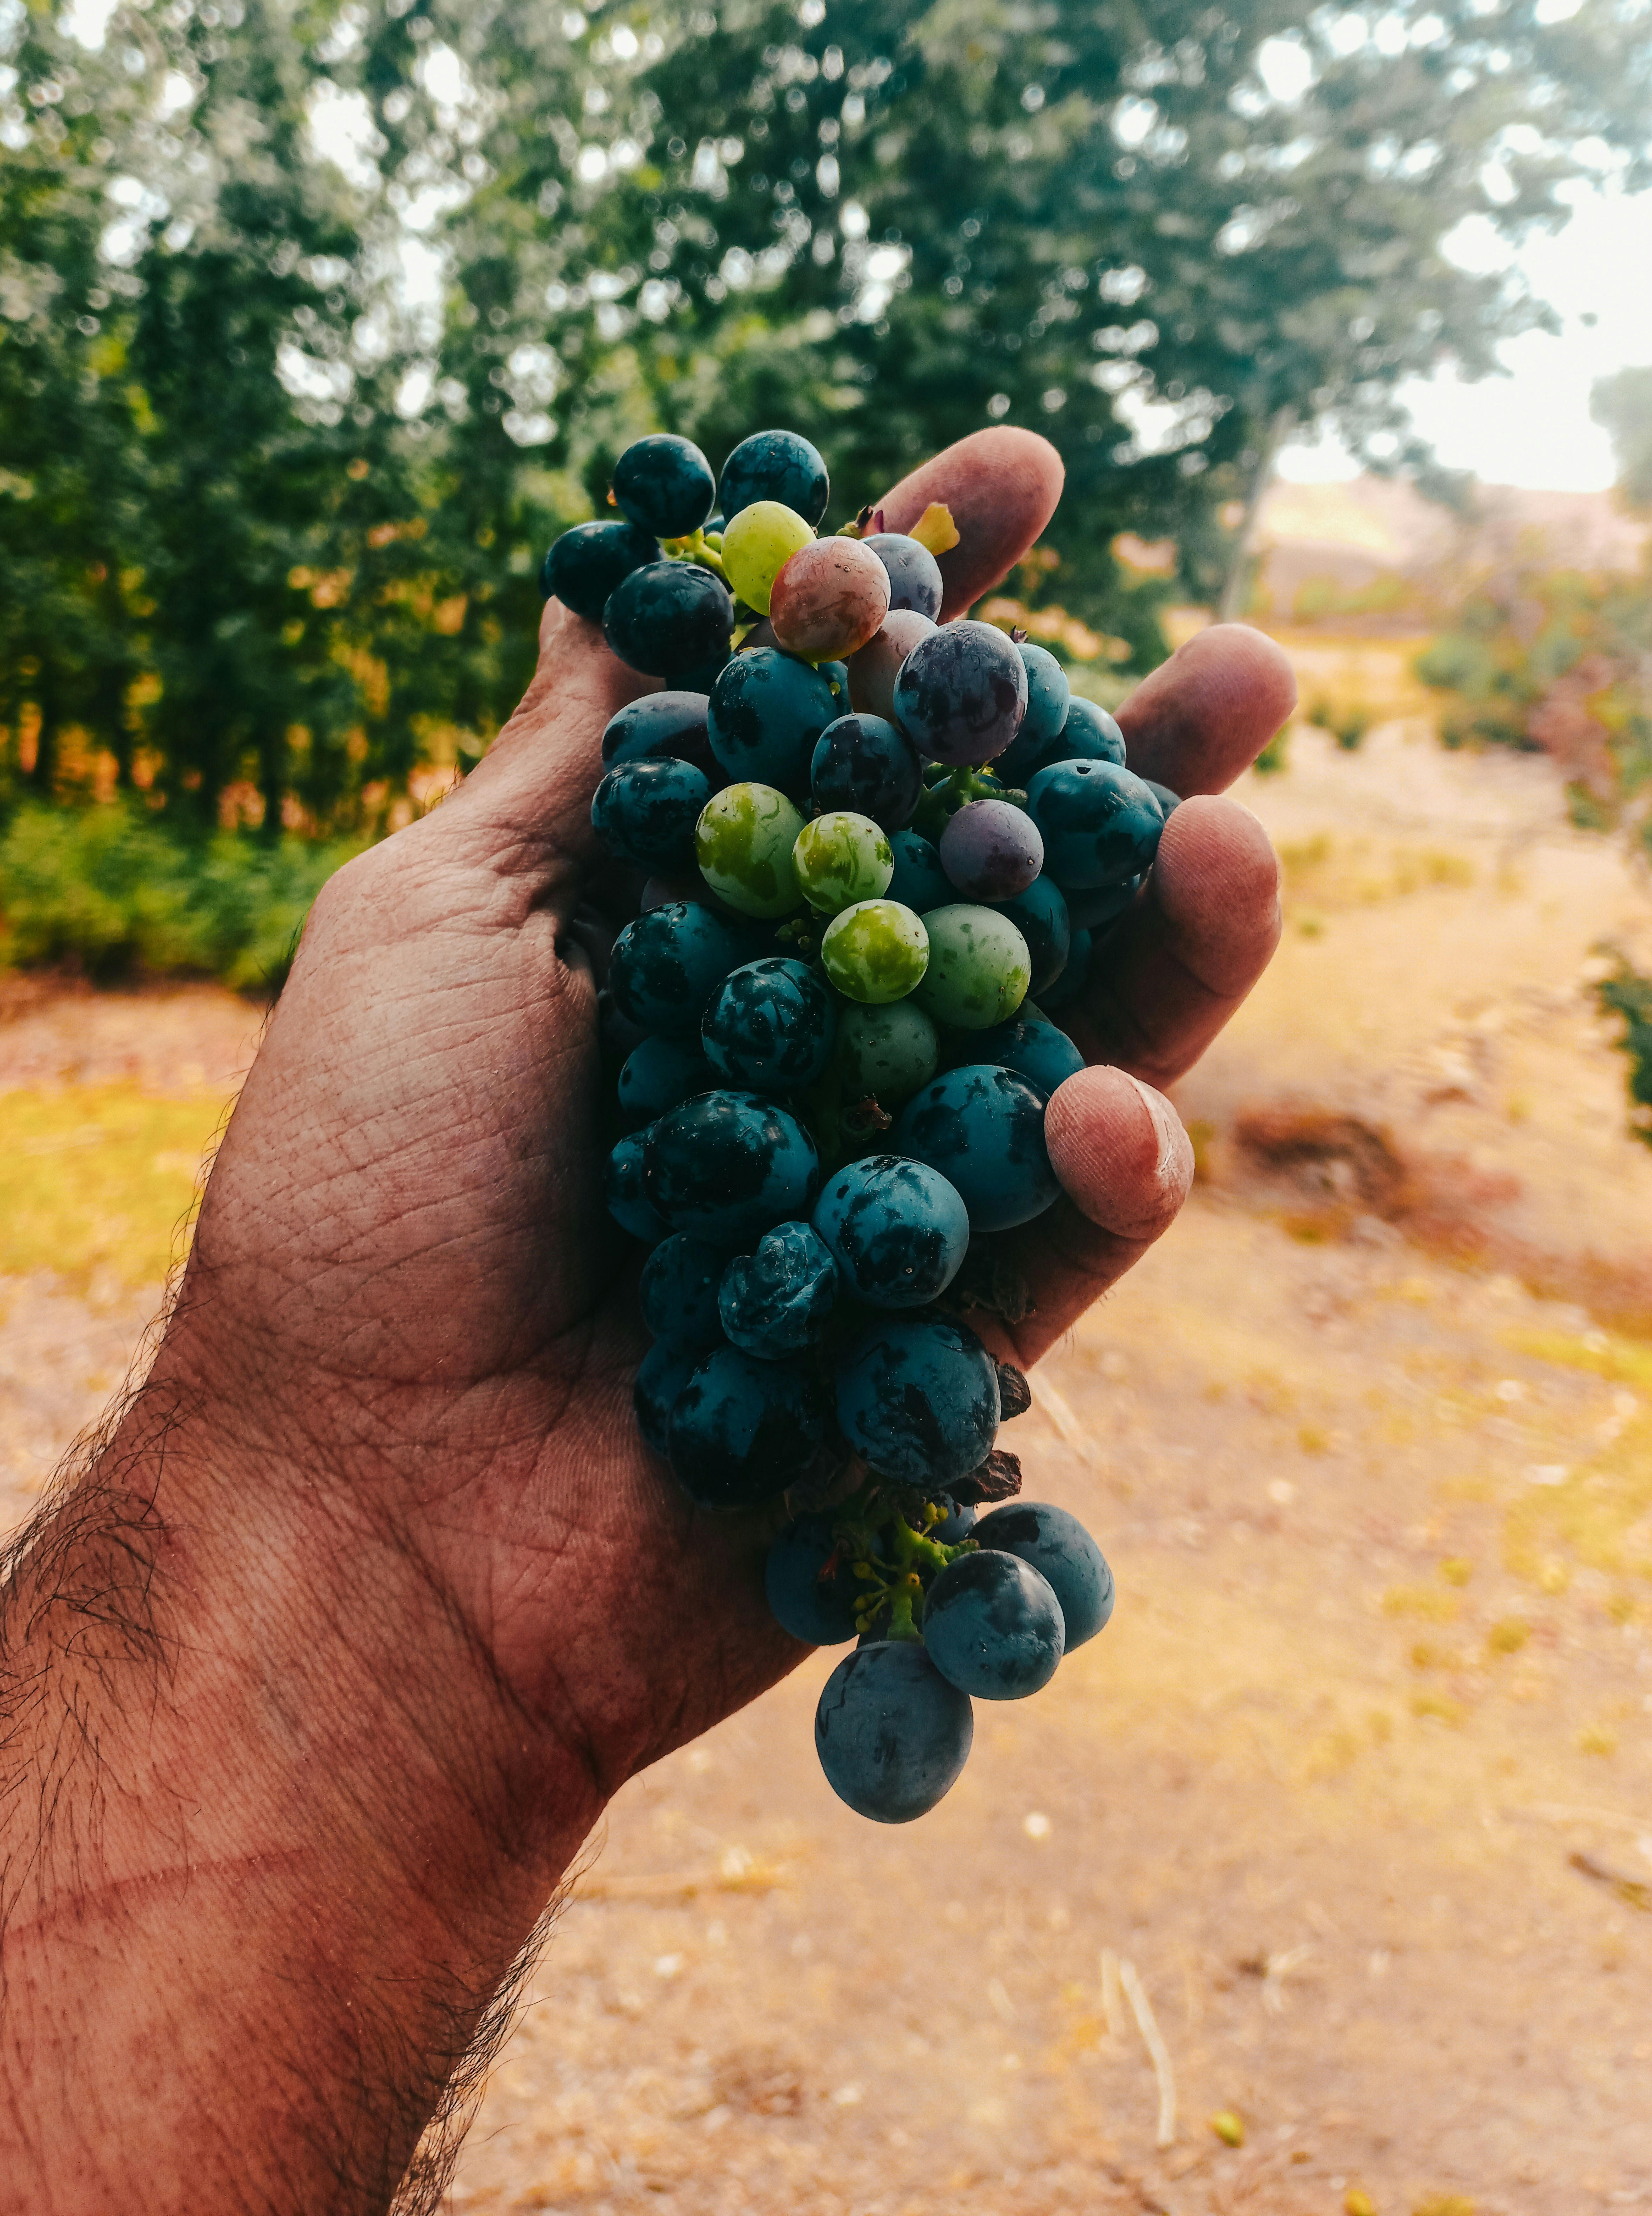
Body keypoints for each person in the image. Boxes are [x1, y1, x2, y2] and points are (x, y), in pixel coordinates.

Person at [0, 428, 1291, 2213]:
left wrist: (341, 1561)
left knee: (1009, 1124)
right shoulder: (751, 797)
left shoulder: (844, 817)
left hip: (813, 1193)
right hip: (754, 1225)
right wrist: (335, 1508)